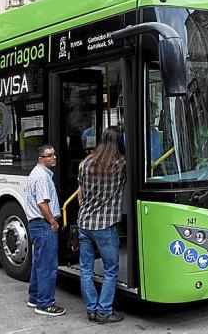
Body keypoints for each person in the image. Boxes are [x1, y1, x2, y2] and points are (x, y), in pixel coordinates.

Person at [77, 126, 126, 324]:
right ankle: (104, 311)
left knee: (86, 269)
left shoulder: (86, 162)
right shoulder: (120, 163)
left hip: (84, 223)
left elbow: (80, 192)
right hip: (105, 225)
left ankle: (91, 310)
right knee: (111, 269)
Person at [24, 144, 65, 316]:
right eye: (49, 155)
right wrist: (53, 222)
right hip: (44, 224)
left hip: (37, 224)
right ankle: (45, 304)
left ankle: (34, 297)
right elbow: (42, 203)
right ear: (41, 159)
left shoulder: (37, 173)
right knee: (48, 265)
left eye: (54, 154)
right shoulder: (41, 177)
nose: (54, 157)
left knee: (39, 263)